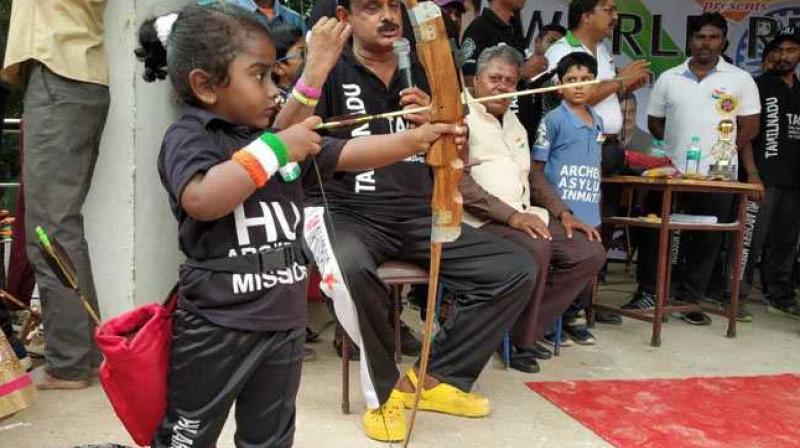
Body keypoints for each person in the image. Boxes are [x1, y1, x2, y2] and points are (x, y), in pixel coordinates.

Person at [137, 4, 467, 447]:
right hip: (218, 325)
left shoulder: (274, 140)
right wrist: (277, 148)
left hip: (282, 322)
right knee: (187, 436)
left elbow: (349, 152)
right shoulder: (193, 136)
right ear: (206, 85)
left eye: (276, 76)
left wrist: (418, 139)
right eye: (259, 77)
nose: (275, 91)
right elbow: (203, 199)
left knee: (270, 437)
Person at [309, 0, 536, 441]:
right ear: (345, 18)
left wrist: (442, 122)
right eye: (372, 7)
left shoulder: (425, 70)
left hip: (416, 214)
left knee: (514, 268)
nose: (387, 16)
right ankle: (384, 393)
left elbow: (459, 154)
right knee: (352, 270)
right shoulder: (330, 70)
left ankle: (436, 379)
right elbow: (300, 143)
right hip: (348, 213)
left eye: (393, 6)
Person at [460, 45, 605, 372]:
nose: (501, 86)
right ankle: (518, 339)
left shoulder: (514, 121)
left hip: (525, 215)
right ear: (477, 80)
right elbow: (459, 184)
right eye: (494, 78)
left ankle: (518, 328)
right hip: (478, 222)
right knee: (537, 246)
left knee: (589, 251)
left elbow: (533, 176)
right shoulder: (460, 115)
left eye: (509, 81)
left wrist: (564, 212)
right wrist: (511, 216)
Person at [623, 12, 762, 325]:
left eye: (713, 37)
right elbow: (655, 123)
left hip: (718, 175)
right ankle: (648, 291)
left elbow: (750, 127)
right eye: (700, 37)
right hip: (670, 171)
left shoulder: (740, 79)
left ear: (723, 41)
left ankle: (689, 300)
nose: (706, 43)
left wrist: (723, 152)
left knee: (706, 237)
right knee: (655, 230)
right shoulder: (670, 77)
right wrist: (677, 147)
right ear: (690, 41)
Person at [1, 0, 109, 390]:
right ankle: (83, 353)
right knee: (60, 225)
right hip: (68, 73)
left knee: (50, 228)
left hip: (60, 73)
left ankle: (71, 363)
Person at [531, 51, 607, 345]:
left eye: (586, 80)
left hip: (589, 206)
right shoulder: (552, 120)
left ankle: (573, 317)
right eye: (571, 80)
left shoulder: (597, 119)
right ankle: (549, 321)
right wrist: (554, 207)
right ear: (559, 86)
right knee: (564, 265)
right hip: (561, 207)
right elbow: (536, 167)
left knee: (588, 268)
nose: (578, 86)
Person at [742, 28, 800, 319]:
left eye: (791, 50)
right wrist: (752, 173)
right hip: (762, 177)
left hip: (794, 182)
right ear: (770, 55)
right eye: (778, 50)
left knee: (787, 242)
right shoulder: (757, 86)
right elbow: (746, 136)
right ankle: (735, 295)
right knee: (750, 239)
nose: (784, 56)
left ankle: (780, 294)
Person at [462, 0, 547, 148]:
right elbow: (467, 78)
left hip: (517, 130)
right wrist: (523, 72)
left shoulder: (513, 30)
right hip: (490, 134)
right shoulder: (479, 28)